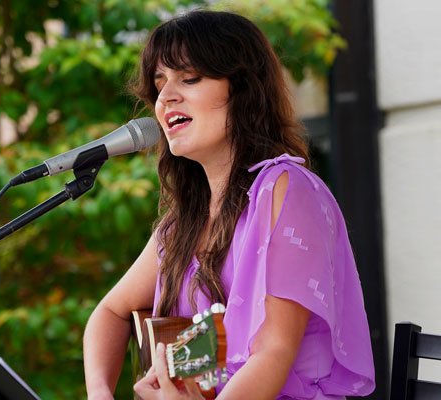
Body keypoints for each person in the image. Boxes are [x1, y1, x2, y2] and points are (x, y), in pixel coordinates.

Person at [83, 10, 375, 400]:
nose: (167, 97)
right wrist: (100, 394)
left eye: (189, 78)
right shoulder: (184, 221)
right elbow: (109, 313)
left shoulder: (286, 190)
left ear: (242, 89)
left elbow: (272, 352)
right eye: (160, 84)